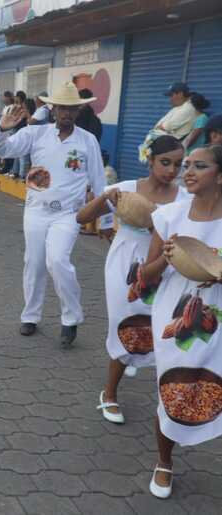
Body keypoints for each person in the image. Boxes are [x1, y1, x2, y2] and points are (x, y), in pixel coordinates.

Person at [77, 135, 189, 426]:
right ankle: (110, 393)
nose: (171, 170)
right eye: (165, 162)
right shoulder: (125, 190)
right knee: (124, 325)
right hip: (125, 264)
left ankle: (164, 397)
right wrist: (104, 197)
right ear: (149, 159)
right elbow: (81, 217)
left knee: (160, 328)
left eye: (177, 164)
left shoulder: (184, 198)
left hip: (167, 268)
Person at [138, 144, 222, 499]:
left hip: (218, 319)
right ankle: (164, 461)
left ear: (219, 175)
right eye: (186, 165)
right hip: (177, 319)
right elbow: (145, 275)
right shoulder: (169, 216)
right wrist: (168, 259)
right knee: (173, 388)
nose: (187, 171)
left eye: (198, 166)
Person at [0, 82, 106, 346]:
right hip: (36, 210)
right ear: (53, 109)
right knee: (34, 263)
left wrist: (107, 219)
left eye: (72, 109)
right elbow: (2, 151)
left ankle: (70, 319)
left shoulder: (87, 141)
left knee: (57, 261)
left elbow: (100, 182)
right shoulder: (35, 133)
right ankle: (30, 316)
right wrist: (2, 128)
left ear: (78, 112)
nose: (67, 114)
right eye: (62, 108)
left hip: (68, 214)